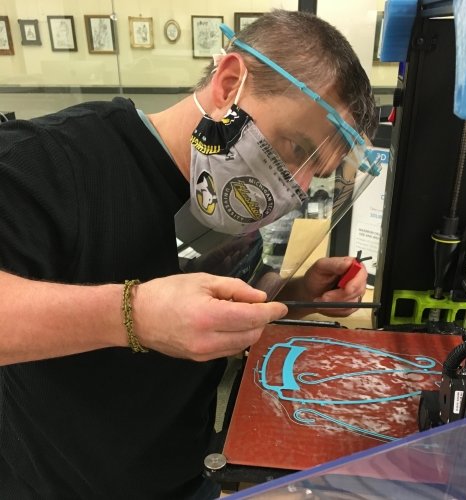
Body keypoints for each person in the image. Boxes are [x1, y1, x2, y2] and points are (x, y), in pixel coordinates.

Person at [0, 9, 375, 500]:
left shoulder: (229, 205)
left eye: (314, 172)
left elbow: (226, 297)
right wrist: (135, 315)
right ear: (228, 82)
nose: (297, 187)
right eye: (294, 146)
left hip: (187, 477)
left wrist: (301, 295)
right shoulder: (48, 162)